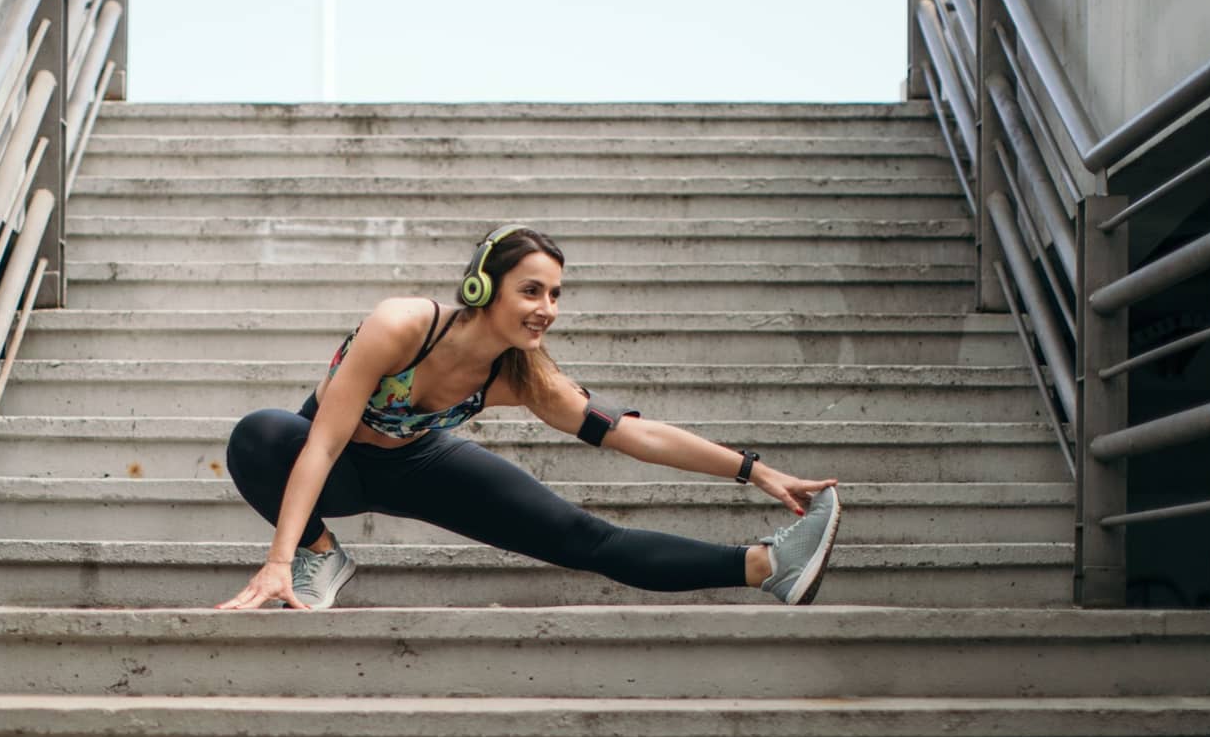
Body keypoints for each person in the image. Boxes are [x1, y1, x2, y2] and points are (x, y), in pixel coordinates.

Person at [217, 224, 841, 611]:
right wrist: (283, 556)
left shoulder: (521, 375)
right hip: (333, 464)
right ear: (481, 289)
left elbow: (634, 433)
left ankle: (763, 565)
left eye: (555, 295)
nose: (547, 308)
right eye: (531, 290)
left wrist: (756, 472)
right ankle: (321, 554)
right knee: (262, 434)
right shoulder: (401, 325)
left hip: (418, 465)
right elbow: (321, 447)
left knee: (585, 540)